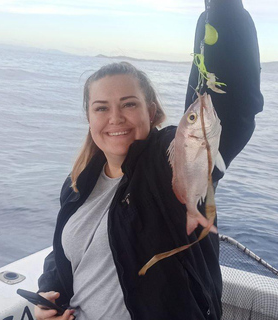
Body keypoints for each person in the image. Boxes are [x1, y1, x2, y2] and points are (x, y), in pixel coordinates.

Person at [36, 0, 263, 319]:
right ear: (88, 117)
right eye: (101, 108)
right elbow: (66, 253)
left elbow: (233, 105)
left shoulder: (168, 161)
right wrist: (49, 295)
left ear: (151, 111)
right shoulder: (77, 183)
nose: (115, 118)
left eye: (128, 104)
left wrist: (221, 11)